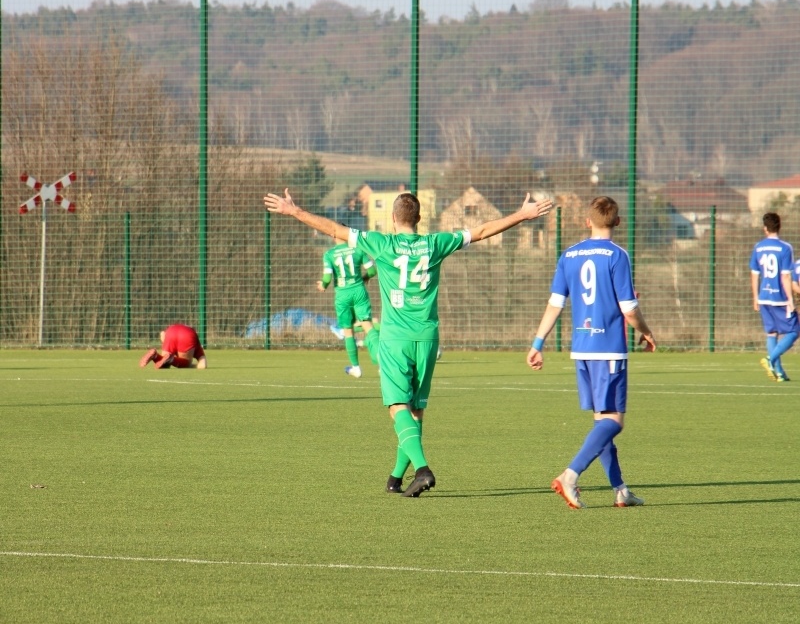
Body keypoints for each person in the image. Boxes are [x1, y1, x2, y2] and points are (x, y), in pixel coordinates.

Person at [265, 187, 552, 497]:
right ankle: (396, 477)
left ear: (392, 219)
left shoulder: (381, 243)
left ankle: (423, 469)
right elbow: (481, 231)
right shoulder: (435, 243)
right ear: (420, 219)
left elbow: (334, 228)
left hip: (395, 339)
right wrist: (523, 215)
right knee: (416, 411)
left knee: (398, 407)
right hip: (427, 339)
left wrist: (295, 211)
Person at [527, 196, 656, 509]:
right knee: (615, 421)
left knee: (602, 421)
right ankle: (570, 475)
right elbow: (629, 308)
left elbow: (555, 303)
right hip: (609, 349)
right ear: (618, 222)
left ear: (588, 221)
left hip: (581, 350)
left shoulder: (569, 255)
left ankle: (620, 490)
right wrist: (646, 330)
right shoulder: (617, 255)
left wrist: (538, 342)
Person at [318, 240, 379, 378]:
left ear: (334, 236)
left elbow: (327, 278)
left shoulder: (329, 254)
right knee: (368, 326)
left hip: (342, 295)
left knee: (348, 330)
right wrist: (364, 278)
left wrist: (323, 285)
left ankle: (356, 368)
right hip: (359, 291)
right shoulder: (358, 250)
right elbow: (372, 270)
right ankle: (382, 358)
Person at [750, 212, 798, 382]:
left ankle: (779, 373)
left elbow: (754, 274)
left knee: (772, 333)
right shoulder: (785, 248)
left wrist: (755, 297)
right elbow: (786, 276)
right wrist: (790, 300)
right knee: (794, 331)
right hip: (780, 298)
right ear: (780, 226)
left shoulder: (758, 247)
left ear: (765, 229)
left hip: (764, 297)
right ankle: (771, 360)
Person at [139, 324, 207, 369]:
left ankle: (155, 356)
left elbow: (162, 333)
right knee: (186, 363)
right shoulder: (196, 342)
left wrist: (164, 341)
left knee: (164, 364)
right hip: (187, 335)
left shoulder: (172, 328)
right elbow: (203, 365)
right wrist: (192, 365)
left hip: (170, 331)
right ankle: (171, 359)